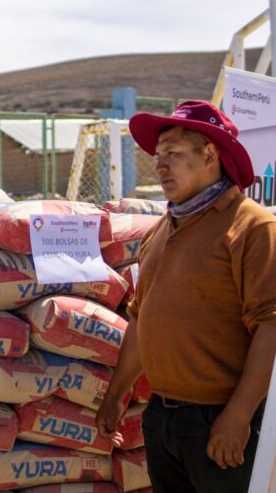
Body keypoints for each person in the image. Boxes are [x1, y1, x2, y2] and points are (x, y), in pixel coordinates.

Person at [95, 100, 276, 492]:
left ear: (210, 154)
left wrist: (239, 416)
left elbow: (271, 326)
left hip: (219, 419)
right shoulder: (160, 231)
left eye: (173, 154)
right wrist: (116, 395)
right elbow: (141, 319)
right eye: (158, 156)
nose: (160, 166)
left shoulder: (252, 227)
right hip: (163, 418)